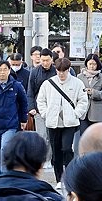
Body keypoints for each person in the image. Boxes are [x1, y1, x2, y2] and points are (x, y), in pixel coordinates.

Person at [35, 57, 89, 186]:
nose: (61, 74)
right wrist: (45, 113)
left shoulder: (77, 83)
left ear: (68, 70)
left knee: (66, 148)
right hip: (53, 122)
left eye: (64, 71)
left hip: (70, 122)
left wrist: (76, 114)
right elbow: (41, 100)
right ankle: (59, 179)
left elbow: (83, 100)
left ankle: (69, 176)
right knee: (56, 150)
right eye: (59, 71)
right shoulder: (48, 83)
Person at [78, 54, 102, 147]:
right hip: (83, 112)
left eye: (94, 64)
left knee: (97, 138)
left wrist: (93, 92)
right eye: (90, 64)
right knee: (84, 138)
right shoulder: (80, 77)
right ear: (86, 64)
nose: (92, 66)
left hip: (97, 113)